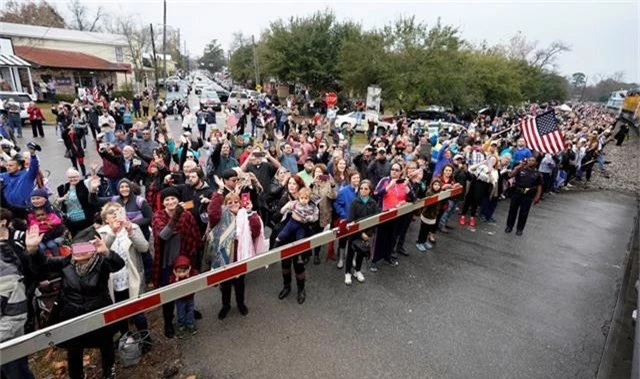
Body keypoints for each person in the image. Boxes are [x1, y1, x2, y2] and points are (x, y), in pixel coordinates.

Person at [26, 224, 124, 379]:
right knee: (74, 348)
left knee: (105, 344)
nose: (78, 252)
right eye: (76, 247)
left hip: (97, 312)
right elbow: (44, 264)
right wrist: (33, 250)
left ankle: (108, 370)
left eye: (83, 247)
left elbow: (118, 265)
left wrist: (106, 251)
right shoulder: (67, 262)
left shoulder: (101, 263)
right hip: (71, 314)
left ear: (92, 247)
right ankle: (77, 375)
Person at [97, 202, 151, 351]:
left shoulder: (133, 228)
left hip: (132, 276)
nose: (115, 215)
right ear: (105, 218)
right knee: (119, 313)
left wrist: (130, 232)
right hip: (113, 280)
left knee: (138, 312)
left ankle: (146, 339)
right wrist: (113, 233)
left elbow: (144, 247)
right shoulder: (101, 233)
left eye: (118, 211)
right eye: (111, 213)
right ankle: (126, 338)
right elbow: (100, 253)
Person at [207, 185, 266, 319]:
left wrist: (251, 213)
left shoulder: (246, 215)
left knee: (240, 283)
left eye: (235, 202)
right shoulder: (220, 216)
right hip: (224, 257)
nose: (233, 204)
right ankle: (225, 305)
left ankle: (241, 304)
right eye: (229, 202)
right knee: (225, 284)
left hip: (240, 257)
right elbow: (211, 213)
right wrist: (219, 193)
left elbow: (256, 231)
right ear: (225, 205)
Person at [151, 187, 201, 338]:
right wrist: (176, 215)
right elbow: (164, 235)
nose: (170, 201)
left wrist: (195, 256)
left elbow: (195, 234)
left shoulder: (187, 215)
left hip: (185, 259)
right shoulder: (158, 217)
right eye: (167, 199)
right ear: (163, 203)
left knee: (187, 288)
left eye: (173, 198)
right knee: (169, 293)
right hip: (167, 263)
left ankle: (189, 311)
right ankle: (168, 321)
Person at [0, 208, 36, 379]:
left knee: (15, 370)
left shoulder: (7, 260)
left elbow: (15, 313)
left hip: (8, 331)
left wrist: (32, 251)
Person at [344, 180, 379, 285]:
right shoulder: (354, 202)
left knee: (361, 253)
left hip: (366, 234)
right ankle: (347, 272)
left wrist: (368, 234)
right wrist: (360, 233)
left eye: (366, 188)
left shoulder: (373, 203)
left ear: (370, 191)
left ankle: (357, 271)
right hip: (355, 233)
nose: (363, 190)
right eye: (361, 188)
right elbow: (351, 220)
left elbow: (375, 220)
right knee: (350, 253)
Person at [0, 143, 40, 218]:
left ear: (19, 167)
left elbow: (34, 167)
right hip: (7, 210)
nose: (8, 167)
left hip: (23, 210)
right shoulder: (3, 176)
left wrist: (33, 154)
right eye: (7, 165)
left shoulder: (27, 175)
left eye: (11, 166)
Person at [505, 156, 542, 236]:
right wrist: (518, 167)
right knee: (512, 210)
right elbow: (510, 175)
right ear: (527, 161)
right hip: (517, 192)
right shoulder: (521, 169)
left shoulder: (537, 173)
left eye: (533, 161)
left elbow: (539, 186)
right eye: (529, 160)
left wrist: (537, 197)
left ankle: (520, 229)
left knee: (524, 212)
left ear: (535, 163)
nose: (531, 162)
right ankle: (509, 226)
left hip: (528, 195)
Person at [169, 255, 198, 338]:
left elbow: (196, 277)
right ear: (175, 271)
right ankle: (180, 326)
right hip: (180, 299)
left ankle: (190, 324)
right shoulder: (174, 278)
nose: (181, 274)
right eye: (179, 271)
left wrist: (188, 274)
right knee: (180, 312)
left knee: (190, 311)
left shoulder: (191, 274)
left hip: (190, 297)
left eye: (183, 271)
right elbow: (171, 286)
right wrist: (176, 278)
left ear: (188, 269)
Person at [416, 178, 443, 251]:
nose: (437, 186)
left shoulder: (441, 193)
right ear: (432, 185)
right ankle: (419, 242)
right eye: (435, 184)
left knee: (428, 229)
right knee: (423, 229)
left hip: (433, 216)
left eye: (438, 185)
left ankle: (424, 241)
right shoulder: (429, 192)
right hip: (427, 214)